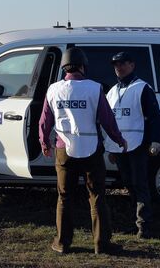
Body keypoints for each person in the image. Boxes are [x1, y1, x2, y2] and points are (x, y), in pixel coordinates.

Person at [39, 47, 128, 255]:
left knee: (64, 197)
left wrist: (44, 143)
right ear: (82, 66)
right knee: (97, 197)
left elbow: (44, 121)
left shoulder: (53, 89)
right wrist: (118, 138)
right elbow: (107, 119)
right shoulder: (94, 88)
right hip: (91, 150)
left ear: (64, 68)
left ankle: (62, 243)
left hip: (64, 150)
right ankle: (101, 244)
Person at [105, 52, 160, 239]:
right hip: (120, 147)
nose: (119, 67)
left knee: (140, 184)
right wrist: (111, 148)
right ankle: (135, 222)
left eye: (123, 63)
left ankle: (144, 227)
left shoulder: (142, 88)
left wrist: (156, 141)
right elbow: (108, 122)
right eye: (116, 65)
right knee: (128, 184)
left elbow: (156, 117)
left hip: (138, 145)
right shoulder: (112, 91)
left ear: (132, 65)